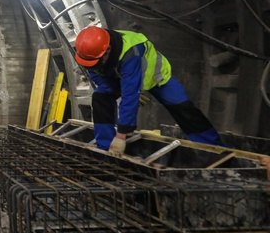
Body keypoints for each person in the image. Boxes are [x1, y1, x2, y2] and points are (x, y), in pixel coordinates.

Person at [74, 26, 223, 154]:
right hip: (122, 80)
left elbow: (130, 95)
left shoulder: (130, 52)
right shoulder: (90, 54)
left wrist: (121, 135)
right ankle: (105, 147)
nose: (92, 66)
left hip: (157, 78)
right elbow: (98, 76)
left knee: (184, 109)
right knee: (100, 97)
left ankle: (213, 147)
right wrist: (113, 88)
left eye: (95, 62)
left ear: (107, 50)